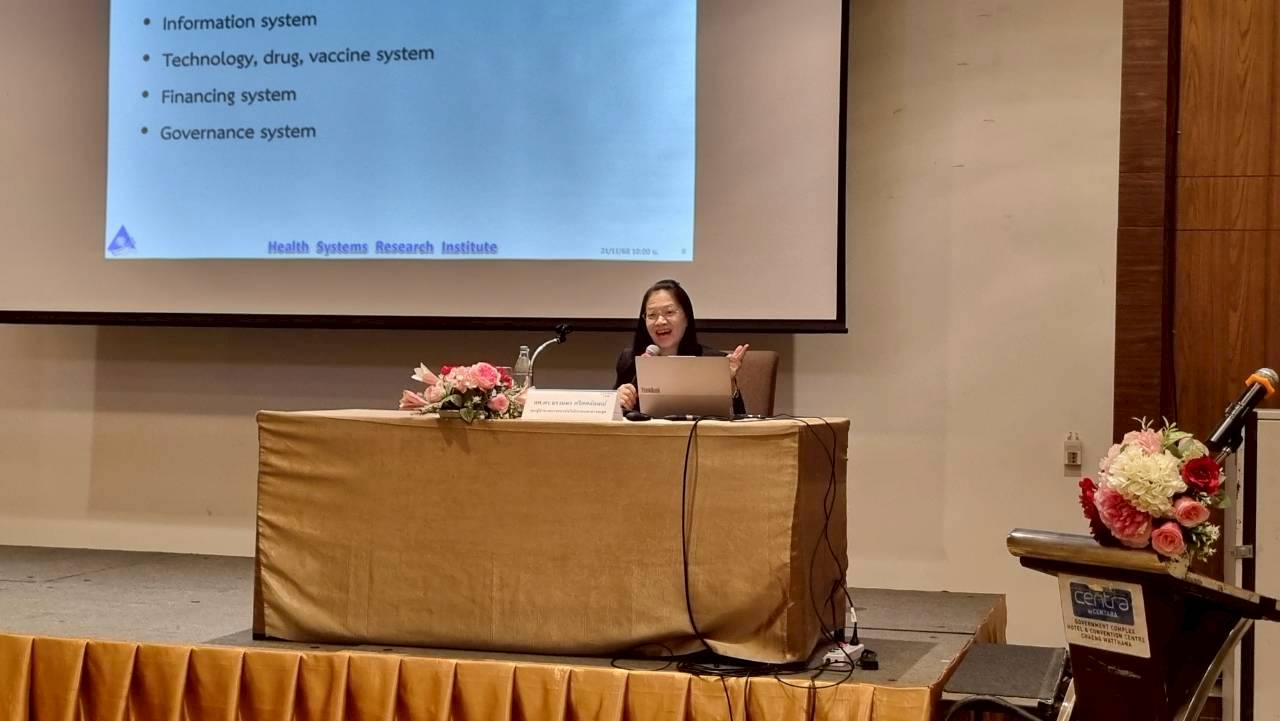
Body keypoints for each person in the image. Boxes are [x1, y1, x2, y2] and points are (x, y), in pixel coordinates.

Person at [614, 279, 749, 415]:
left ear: (687, 317)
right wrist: (616, 402)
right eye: (652, 315)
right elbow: (612, 416)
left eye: (669, 312)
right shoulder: (629, 360)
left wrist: (729, 385)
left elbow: (741, 419)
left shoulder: (714, 363)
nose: (660, 321)